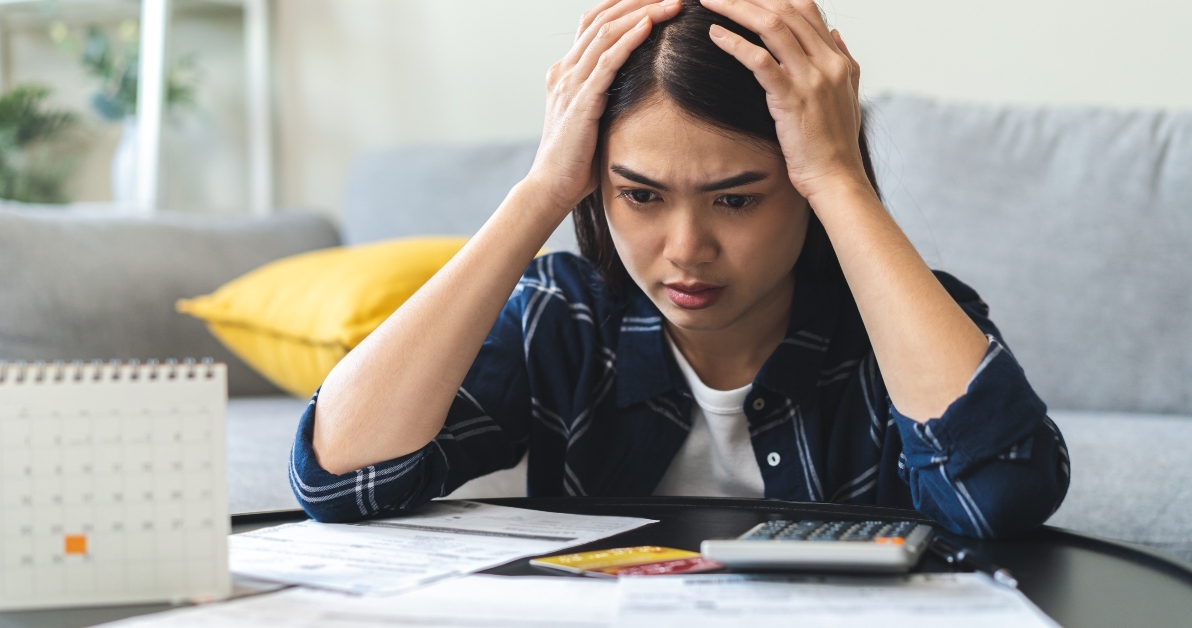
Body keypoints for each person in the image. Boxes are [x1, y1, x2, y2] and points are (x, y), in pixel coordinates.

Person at [292, 0, 1070, 538]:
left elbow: (1000, 496)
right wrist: (540, 192)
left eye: (735, 200)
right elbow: (338, 477)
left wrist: (841, 179)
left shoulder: (898, 337)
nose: (686, 248)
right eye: (640, 195)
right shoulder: (565, 319)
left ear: (800, 184)